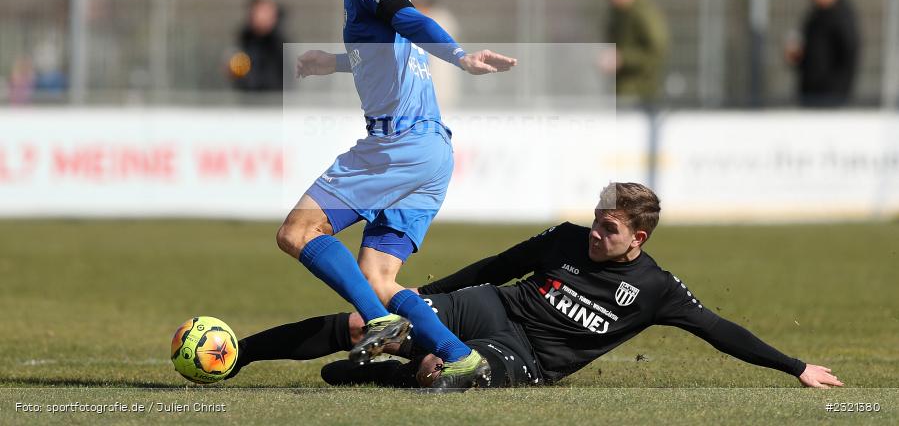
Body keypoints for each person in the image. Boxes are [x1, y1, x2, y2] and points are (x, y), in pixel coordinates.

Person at [228, 182, 843, 390]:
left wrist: (796, 368)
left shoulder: (657, 289)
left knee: (453, 381)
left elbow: (718, 330)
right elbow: (493, 268)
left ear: (639, 239)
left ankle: (368, 374)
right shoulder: (567, 237)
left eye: (609, 229)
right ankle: (239, 355)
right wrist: (413, 298)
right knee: (362, 326)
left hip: (528, 356)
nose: (595, 234)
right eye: (597, 221)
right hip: (491, 307)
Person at [275, 0, 517, 389]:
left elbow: (408, 18)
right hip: (431, 152)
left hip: (399, 144)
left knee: (298, 232)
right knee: (378, 279)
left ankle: (381, 324)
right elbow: (391, 49)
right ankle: (460, 357)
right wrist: (334, 62)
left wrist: (459, 56)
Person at [785, 0, 859, 107]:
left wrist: (837, 90)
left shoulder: (842, 16)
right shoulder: (813, 16)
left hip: (830, 97)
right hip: (810, 95)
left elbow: (849, 53)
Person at [599, 0, 669, 104]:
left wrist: (622, 58)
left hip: (642, 93)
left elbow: (657, 51)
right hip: (622, 91)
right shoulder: (617, 14)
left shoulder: (643, 14)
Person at [231, 0, 287, 92]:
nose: (262, 16)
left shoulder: (281, 42)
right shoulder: (244, 39)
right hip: (248, 101)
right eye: (260, 11)